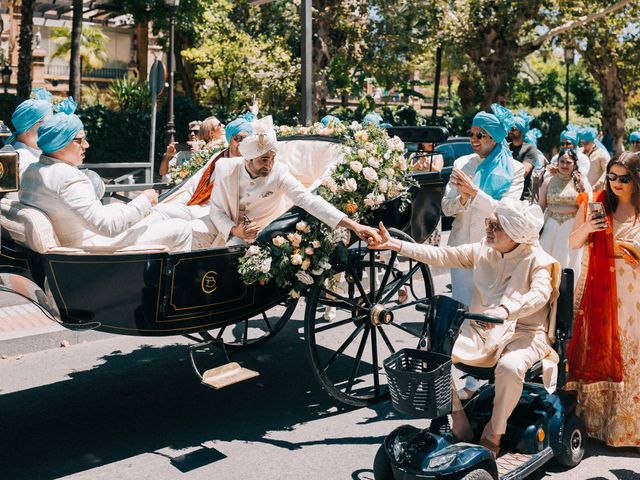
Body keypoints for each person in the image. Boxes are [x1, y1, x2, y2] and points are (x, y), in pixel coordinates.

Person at [370, 198, 560, 457]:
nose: (488, 230)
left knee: (509, 366)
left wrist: (505, 310)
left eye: (495, 226)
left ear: (515, 232)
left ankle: (494, 432)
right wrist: (395, 244)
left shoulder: (538, 260)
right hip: (485, 332)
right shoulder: (485, 249)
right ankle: (458, 417)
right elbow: (442, 255)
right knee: (434, 352)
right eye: (488, 223)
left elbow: (539, 294)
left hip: (525, 334)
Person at [19, 98, 192, 252]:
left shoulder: (32, 170)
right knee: (181, 229)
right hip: (92, 246)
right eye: (80, 140)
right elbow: (108, 227)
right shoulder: (68, 177)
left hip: (78, 237)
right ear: (61, 144)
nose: (86, 145)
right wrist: (144, 199)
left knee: (157, 214)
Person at [208, 116, 380, 247]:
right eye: (263, 160)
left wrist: (355, 226)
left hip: (269, 233)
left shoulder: (278, 172)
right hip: (231, 232)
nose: (269, 165)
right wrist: (235, 230)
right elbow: (216, 211)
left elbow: (309, 201)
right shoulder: (225, 169)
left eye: (272, 158)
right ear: (247, 159)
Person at [567, 151, 640, 447]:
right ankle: (600, 425)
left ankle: (630, 430)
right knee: (604, 352)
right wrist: (589, 228)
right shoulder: (595, 203)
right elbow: (573, 242)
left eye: (624, 178)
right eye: (612, 176)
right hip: (602, 294)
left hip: (634, 292)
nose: (616, 183)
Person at [442, 106, 525, 306]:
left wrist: (475, 193)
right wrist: (461, 200)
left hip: (493, 249)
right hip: (461, 247)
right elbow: (446, 208)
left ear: (495, 137)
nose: (473, 139)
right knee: (461, 307)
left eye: (480, 135)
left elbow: (506, 211)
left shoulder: (515, 169)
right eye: (471, 133)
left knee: (486, 311)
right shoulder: (462, 163)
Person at [538, 148, 591, 283]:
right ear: (557, 163)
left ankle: (565, 300)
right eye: (562, 162)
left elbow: (588, 206)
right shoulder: (548, 181)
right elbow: (540, 206)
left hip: (571, 228)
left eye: (568, 162)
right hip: (550, 226)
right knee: (545, 261)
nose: (565, 165)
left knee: (566, 264)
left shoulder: (581, 182)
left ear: (574, 164)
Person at [6, 88, 53, 177]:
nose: (50, 129)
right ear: (27, 128)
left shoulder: (35, 154)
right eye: (46, 123)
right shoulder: (22, 159)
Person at [507, 110, 538, 200]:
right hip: (505, 195)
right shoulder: (505, 147)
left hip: (522, 197)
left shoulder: (530, 148)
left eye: (513, 129)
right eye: (509, 128)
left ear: (521, 130)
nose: (510, 131)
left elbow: (524, 172)